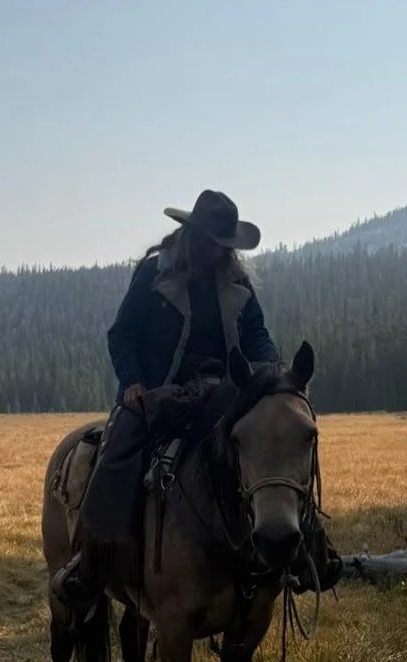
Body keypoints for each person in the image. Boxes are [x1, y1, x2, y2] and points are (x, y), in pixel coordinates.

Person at [52, 189, 341, 606]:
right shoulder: (155, 275)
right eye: (209, 242)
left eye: (222, 245)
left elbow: (256, 335)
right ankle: (90, 562)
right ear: (191, 236)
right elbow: (122, 335)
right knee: (118, 451)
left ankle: (308, 551)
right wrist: (132, 381)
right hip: (158, 390)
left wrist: (272, 376)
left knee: (278, 442)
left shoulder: (236, 283)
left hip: (224, 391)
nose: (215, 252)